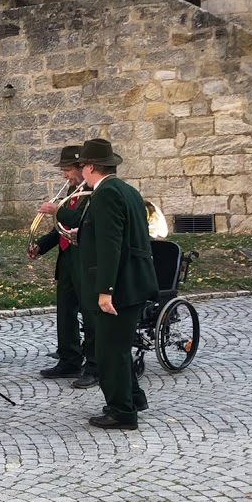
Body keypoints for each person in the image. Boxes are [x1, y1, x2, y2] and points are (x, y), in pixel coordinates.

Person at [76, 138, 158, 431]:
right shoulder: (126, 190)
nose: (80, 171)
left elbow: (111, 246)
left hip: (120, 287)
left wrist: (105, 291)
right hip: (134, 282)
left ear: (91, 167)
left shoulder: (106, 193)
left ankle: (122, 412)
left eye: (82, 166)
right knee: (119, 347)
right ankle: (133, 398)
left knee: (111, 351)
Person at [29, 145, 96, 387]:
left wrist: (56, 209)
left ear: (81, 168)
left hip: (86, 258)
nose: (64, 175)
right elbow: (60, 229)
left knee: (89, 313)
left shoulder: (94, 191)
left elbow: (83, 222)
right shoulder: (71, 190)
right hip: (67, 259)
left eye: (67, 170)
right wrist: (41, 246)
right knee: (65, 311)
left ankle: (94, 366)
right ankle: (69, 359)